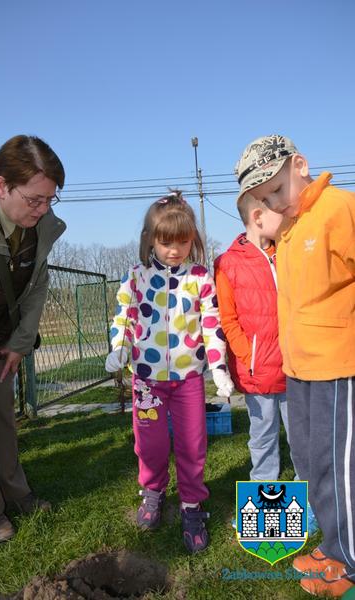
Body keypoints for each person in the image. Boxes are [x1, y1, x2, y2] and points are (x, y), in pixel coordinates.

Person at [234, 134, 355, 597]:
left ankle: (350, 561)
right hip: (299, 368)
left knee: (338, 467)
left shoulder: (338, 209)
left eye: (278, 191)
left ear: (300, 165)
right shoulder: (288, 229)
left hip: (337, 366)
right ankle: (335, 544)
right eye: (265, 199)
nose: (275, 204)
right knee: (308, 461)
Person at [105, 192, 234, 553]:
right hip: (147, 382)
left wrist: (218, 368)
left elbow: (211, 325)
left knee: (193, 445)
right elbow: (124, 317)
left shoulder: (200, 279)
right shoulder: (137, 278)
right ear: (150, 240)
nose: (174, 250)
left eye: (183, 241)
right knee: (152, 443)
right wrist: (120, 346)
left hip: (188, 380)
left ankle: (192, 506)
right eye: (165, 242)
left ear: (193, 240)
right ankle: (153, 493)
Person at [0, 135, 66, 543]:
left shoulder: (37, 227)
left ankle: (16, 493)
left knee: (3, 419)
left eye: (50, 200)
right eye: (35, 200)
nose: (42, 210)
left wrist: (20, 343)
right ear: (1, 186)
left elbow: (37, 287)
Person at [214, 194, 289, 484]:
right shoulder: (226, 264)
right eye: (279, 212)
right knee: (263, 436)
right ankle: (264, 493)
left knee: (304, 438)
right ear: (258, 216)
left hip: (296, 367)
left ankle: (312, 498)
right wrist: (249, 357)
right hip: (258, 372)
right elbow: (227, 319)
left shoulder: (288, 252)